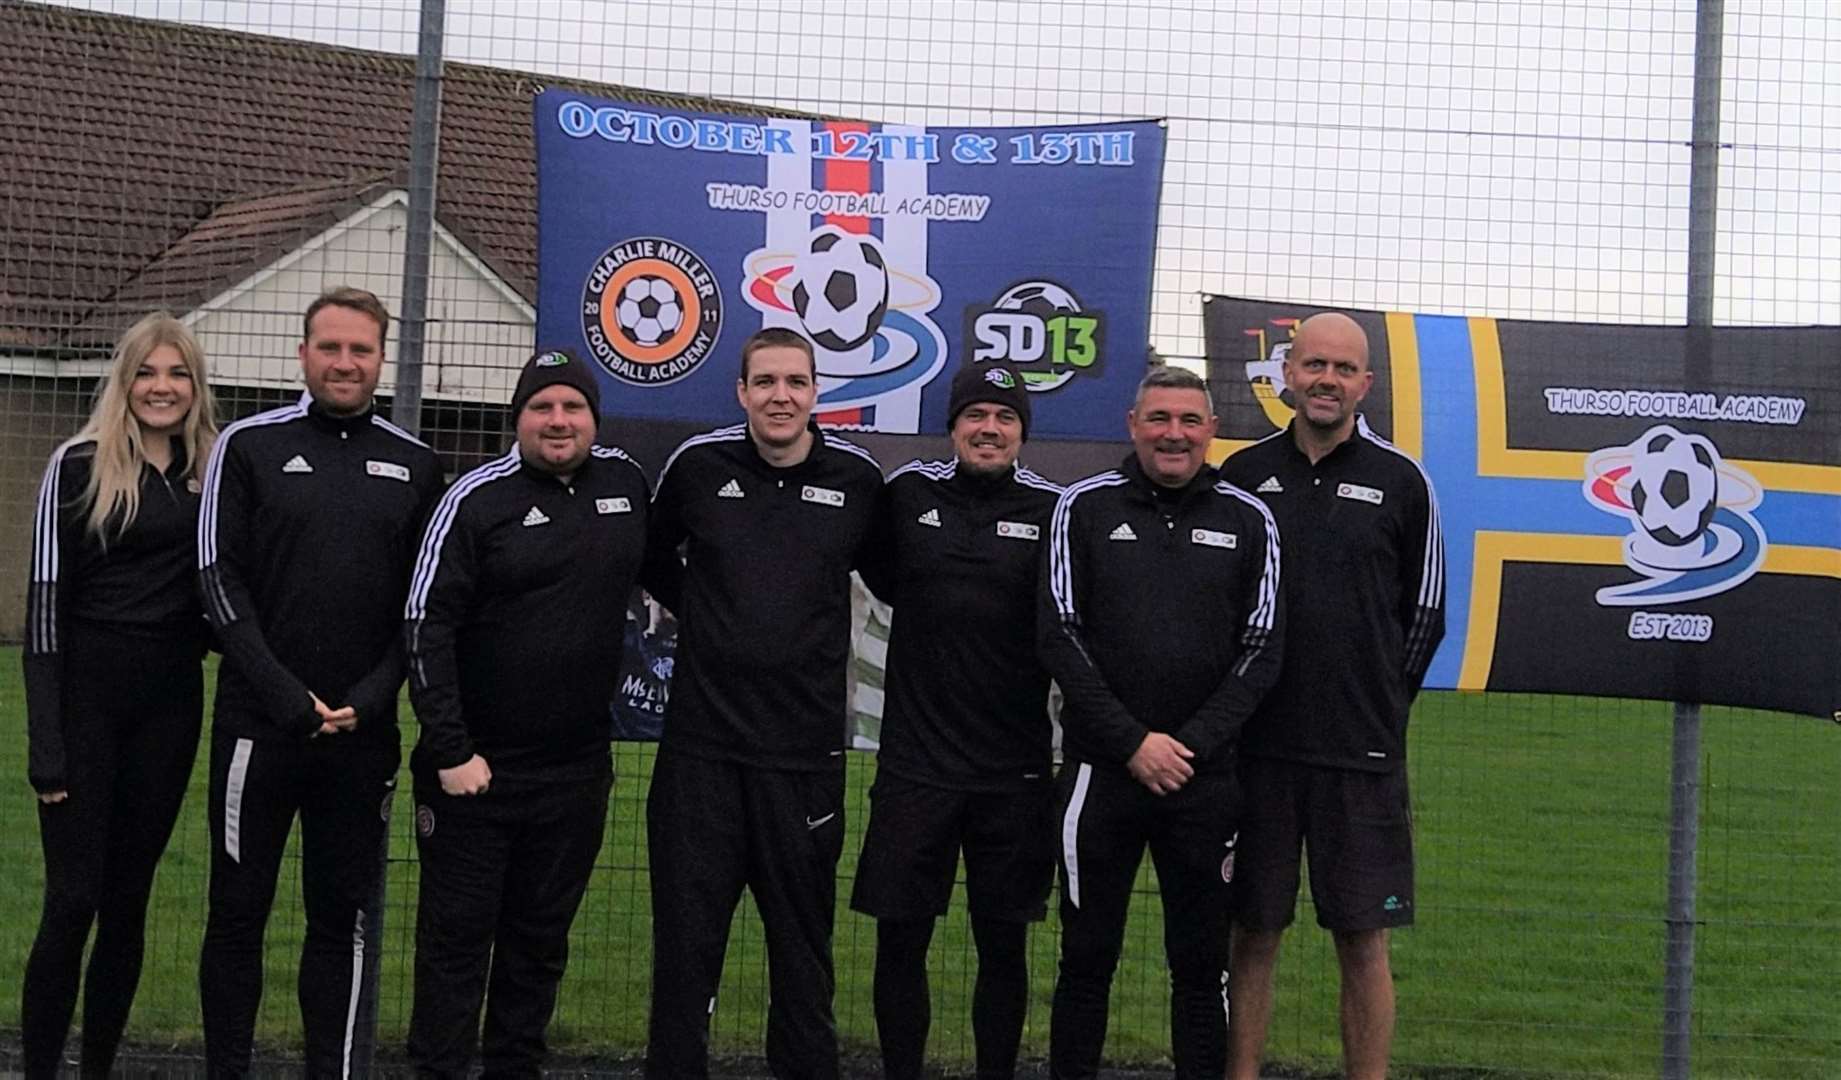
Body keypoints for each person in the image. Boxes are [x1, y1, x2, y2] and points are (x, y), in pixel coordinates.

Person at [196, 286, 444, 1077]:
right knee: (237, 915)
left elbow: (424, 607)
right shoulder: (247, 445)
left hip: (359, 739)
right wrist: (280, 692)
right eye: (330, 348)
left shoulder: (416, 464)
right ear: (303, 354)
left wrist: (370, 700)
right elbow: (214, 576)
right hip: (256, 728)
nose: (345, 363)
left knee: (340, 922)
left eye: (360, 350)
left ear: (382, 359)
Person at [403, 349, 660, 1077]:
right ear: (517, 419)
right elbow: (426, 625)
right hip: (474, 776)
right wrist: (452, 752)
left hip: (575, 775)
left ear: (593, 418)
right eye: (541, 407)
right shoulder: (474, 500)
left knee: (538, 947)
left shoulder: (625, 484)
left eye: (571, 407)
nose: (557, 420)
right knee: (455, 949)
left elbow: (678, 574)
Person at [642, 327, 883, 1080]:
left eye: (796, 382)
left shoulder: (857, 482)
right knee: (685, 956)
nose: (781, 396)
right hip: (701, 759)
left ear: (816, 393)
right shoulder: (696, 468)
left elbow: (900, 579)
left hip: (802, 761)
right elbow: (650, 558)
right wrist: (711, 620)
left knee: (802, 959)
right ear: (741, 391)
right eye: (765, 382)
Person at [1219, 311, 1445, 1080]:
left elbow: (1424, 614)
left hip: (1359, 751)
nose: (1326, 380)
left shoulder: (1401, 481)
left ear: (1365, 384)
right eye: (1313, 365)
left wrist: (1377, 702)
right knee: (1251, 932)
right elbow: (1219, 609)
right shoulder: (1243, 477)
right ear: (1286, 373)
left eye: (1343, 369)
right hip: (1257, 749)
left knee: (1362, 939)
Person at [1041, 365, 1283, 1080]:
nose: (1172, 433)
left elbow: (1263, 648)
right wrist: (1131, 743)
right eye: (1158, 418)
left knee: (1199, 966)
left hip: (1203, 784)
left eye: (1187, 420)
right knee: (1085, 958)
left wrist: (1189, 746)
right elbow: (1058, 635)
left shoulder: (1248, 519)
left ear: (1209, 430)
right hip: (1099, 776)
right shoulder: (1081, 509)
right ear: (1132, 424)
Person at [21, 313, 220, 1079]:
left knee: (127, 907)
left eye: (177, 374)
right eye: (147, 372)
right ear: (124, 381)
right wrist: (48, 745)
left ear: (195, 387)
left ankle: (97, 1068)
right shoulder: (76, 466)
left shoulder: (211, 473)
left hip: (169, 713)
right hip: (84, 712)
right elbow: (42, 610)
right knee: (73, 902)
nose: (161, 387)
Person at [852, 363, 1063, 1080]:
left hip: (1015, 773)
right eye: (976, 415)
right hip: (916, 766)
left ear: (1021, 433)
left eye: (1005, 418)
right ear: (953, 425)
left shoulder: (1052, 512)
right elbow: (882, 577)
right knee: (900, 941)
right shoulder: (908, 496)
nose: (989, 428)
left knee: (1003, 945)